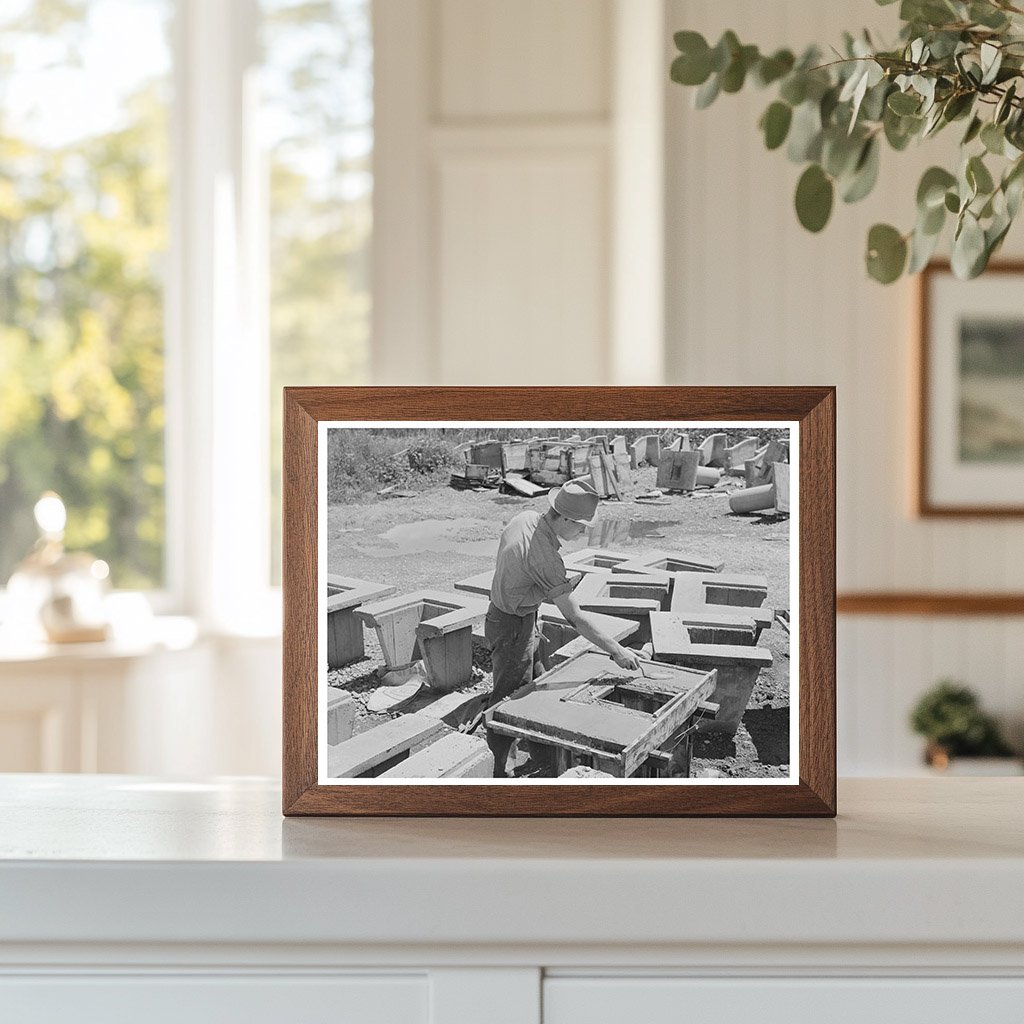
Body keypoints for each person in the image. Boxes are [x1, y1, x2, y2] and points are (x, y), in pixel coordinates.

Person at [483, 477, 641, 777]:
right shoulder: (546, 558)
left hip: (506, 615)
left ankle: (542, 754)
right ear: (565, 518)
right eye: (581, 525)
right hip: (512, 627)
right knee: (506, 699)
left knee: (539, 684)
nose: (582, 531)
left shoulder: (526, 517)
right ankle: (497, 770)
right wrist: (618, 651)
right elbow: (576, 618)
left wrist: (542, 588)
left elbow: (516, 564)